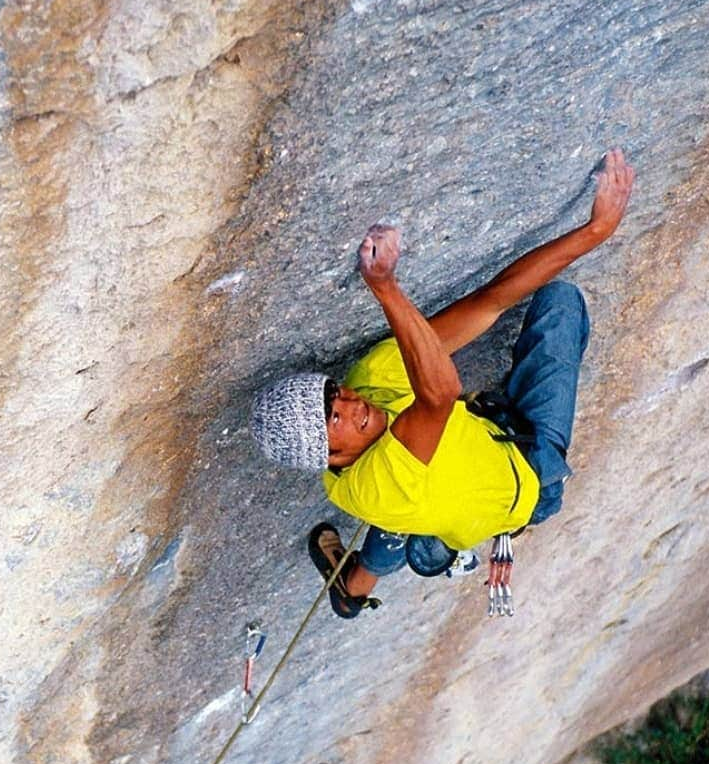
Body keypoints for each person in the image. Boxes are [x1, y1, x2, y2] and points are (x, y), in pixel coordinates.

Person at [250, 148, 636, 617]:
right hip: (532, 480)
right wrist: (385, 287)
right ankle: (368, 578)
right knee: (564, 305)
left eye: (336, 391)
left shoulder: (369, 384)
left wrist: (595, 231)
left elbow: (491, 302)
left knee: (398, 525)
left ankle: (353, 586)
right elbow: (439, 395)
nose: (353, 402)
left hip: (476, 455)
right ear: (329, 456)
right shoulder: (372, 487)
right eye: (336, 416)